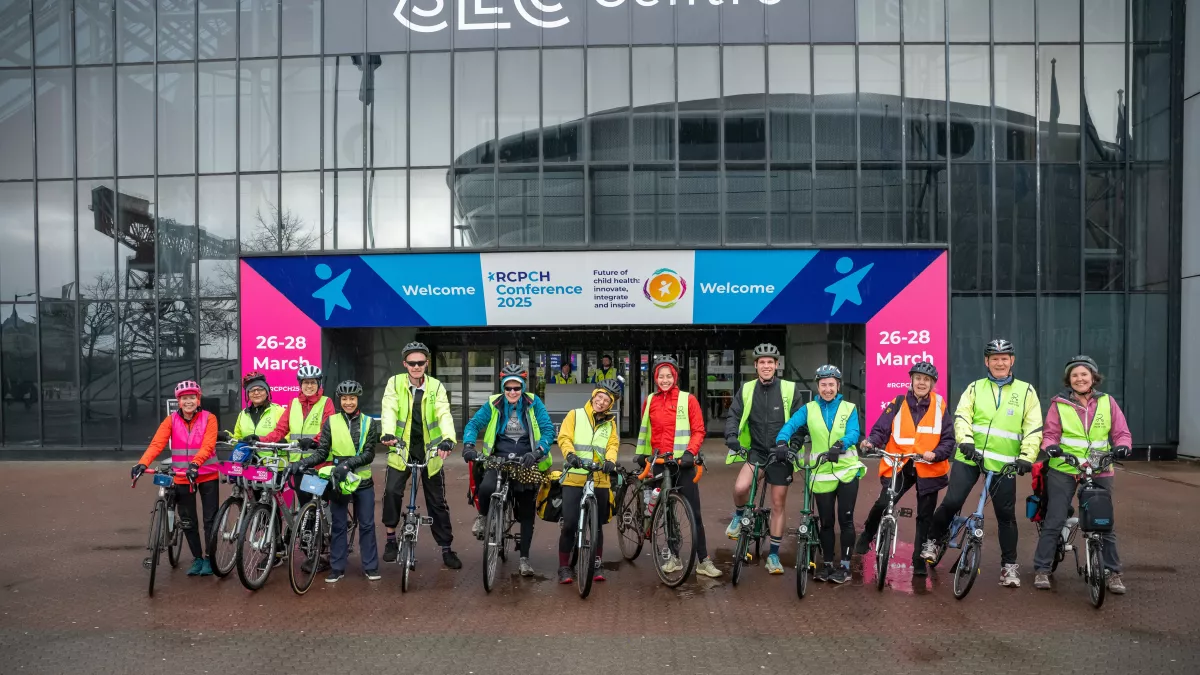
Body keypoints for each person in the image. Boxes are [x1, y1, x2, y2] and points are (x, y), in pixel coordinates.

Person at [923, 339, 1042, 588]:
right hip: (970, 457)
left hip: (1004, 463)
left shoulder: (1026, 391)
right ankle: (932, 540)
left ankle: (1009, 566)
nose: (1000, 362)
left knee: (1006, 515)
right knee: (953, 501)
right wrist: (965, 441)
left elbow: (1033, 427)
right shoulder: (975, 388)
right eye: (994, 358)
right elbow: (962, 415)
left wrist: (1027, 457)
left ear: (1012, 361)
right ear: (986, 362)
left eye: (1004, 358)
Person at [1033, 355, 1131, 594]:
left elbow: (1121, 432)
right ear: (1069, 379)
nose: (1079, 379)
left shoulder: (1108, 402)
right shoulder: (1059, 404)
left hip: (1100, 468)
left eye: (1084, 374)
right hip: (1065, 467)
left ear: (1093, 377)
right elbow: (1050, 434)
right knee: (1055, 517)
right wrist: (1050, 447)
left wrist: (1123, 446)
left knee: (1104, 521)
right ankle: (1042, 569)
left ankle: (1113, 572)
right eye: (1075, 375)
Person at [856, 361, 953, 577]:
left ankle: (918, 560)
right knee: (883, 502)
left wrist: (936, 453)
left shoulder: (940, 405)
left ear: (932, 384)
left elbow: (948, 439)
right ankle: (868, 534)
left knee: (925, 516)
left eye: (926, 380)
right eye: (918, 378)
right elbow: (881, 428)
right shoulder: (898, 402)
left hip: (927, 467)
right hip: (900, 463)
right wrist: (871, 441)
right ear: (911, 380)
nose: (921, 382)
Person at [775, 364, 865, 583]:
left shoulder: (849, 407)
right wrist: (781, 442)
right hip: (821, 472)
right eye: (823, 385)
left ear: (838, 386)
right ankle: (826, 565)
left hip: (846, 470)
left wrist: (841, 444)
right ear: (818, 386)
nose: (827, 389)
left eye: (831, 385)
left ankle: (844, 566)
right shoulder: (808, 409)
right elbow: (790, 425)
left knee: (846, 520)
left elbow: (854, 432)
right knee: (825, 522)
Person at [462, 364, 554, 578]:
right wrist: (468, 445)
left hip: (527, 460)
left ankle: (524, 559)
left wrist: (539, 451)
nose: (512, 392)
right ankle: (484, 516)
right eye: (508, 388)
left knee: (526, 512)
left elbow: (548, 428)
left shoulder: (533, 402)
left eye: (517, 388)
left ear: (522, 387)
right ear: (503, 387)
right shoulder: (493, 403)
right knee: (485, 488)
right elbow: (474, 424)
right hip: (498, 458)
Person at [635, 356, 721, 578]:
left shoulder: (687, 399)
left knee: (694, 513)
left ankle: (703, 560)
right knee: (666, 512)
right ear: (655, 378)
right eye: (661, 376)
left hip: (682, 463)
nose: (665, 380)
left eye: (669, 376)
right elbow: (645, 430)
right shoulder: (650, 400)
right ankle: (673, 557)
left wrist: (690, 453)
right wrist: (641, 455)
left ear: (675, 377)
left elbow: (699, 429)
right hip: (659, 463)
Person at [723, 343, 804, 576]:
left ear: (777, 365)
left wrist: (793, 447)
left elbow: (800, 422)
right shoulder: (747, 389)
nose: (766, 366)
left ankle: (774, 556)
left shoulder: (790, 388)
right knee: (741, 487)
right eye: (762, 362)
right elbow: (734, 414)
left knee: (778, 503)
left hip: (780, 453)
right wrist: (731, 436)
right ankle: (739, 517)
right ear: (756, 366)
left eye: (771, 362)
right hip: (757, 451)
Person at [379, 341, 461, 570]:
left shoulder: (436, 386)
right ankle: (390, 540)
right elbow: (389, 409)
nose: (416, 367)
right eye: (412, 363)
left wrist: (448, 439)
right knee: (392, 492)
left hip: (431, 452)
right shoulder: (394, 383)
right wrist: (387, 433)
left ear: (427, 363)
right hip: (401, 449)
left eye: (420, 363)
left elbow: (444, 413)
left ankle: (446, 548)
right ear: (405, 364)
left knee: (437, 502)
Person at [290, 380, 380, 583]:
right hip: (338, 481)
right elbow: (322, 452)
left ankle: (371, 566)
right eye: (345, 399)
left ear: (358, 399)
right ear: (340, 400)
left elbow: (369, 454)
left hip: (362, 481)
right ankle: (337, 567)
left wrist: (348, 465)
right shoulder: (331, 422)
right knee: (338, 525)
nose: (349, 402)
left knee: (366, 524)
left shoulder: (369, 422)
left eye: (352, 398)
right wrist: (302, 463)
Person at [132, 380, 220, 576]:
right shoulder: (171, 420)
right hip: (181, 476)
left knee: (210, 520)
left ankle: (209, 558)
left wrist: (196, 464)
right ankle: (197, 558)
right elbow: (157, 444)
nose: (188, 401)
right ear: (179, 401)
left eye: (192, 397)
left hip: (206, 474)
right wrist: (142, 463)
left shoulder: (209, 418)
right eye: (184, 398)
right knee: (188, 520)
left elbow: (208, 445)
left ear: (198, 399)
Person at [556, 379, 622, 584]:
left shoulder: (610, 423)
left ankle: (596, 563)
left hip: (599, 478)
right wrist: (570, 455)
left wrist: (611, 461)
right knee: (569, 524)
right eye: (599, 398)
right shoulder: (575, 415)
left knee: (597, 525)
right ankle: (564, 567)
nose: (601, 403)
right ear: (593, 396)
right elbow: (564, 438)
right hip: (575, 476)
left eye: (606, 400)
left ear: (610, 404)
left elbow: (612, 444)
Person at [219, 371, 286, 457]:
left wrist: (282, 441)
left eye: (260, 389)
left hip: (273, 463)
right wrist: (226, 436)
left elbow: (288, 435)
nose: (256, 393)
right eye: (252, 390)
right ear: (248, 394)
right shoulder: (243, 414)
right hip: (248, 463)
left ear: (267, 392)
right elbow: (238, 440)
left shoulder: (279, 411)